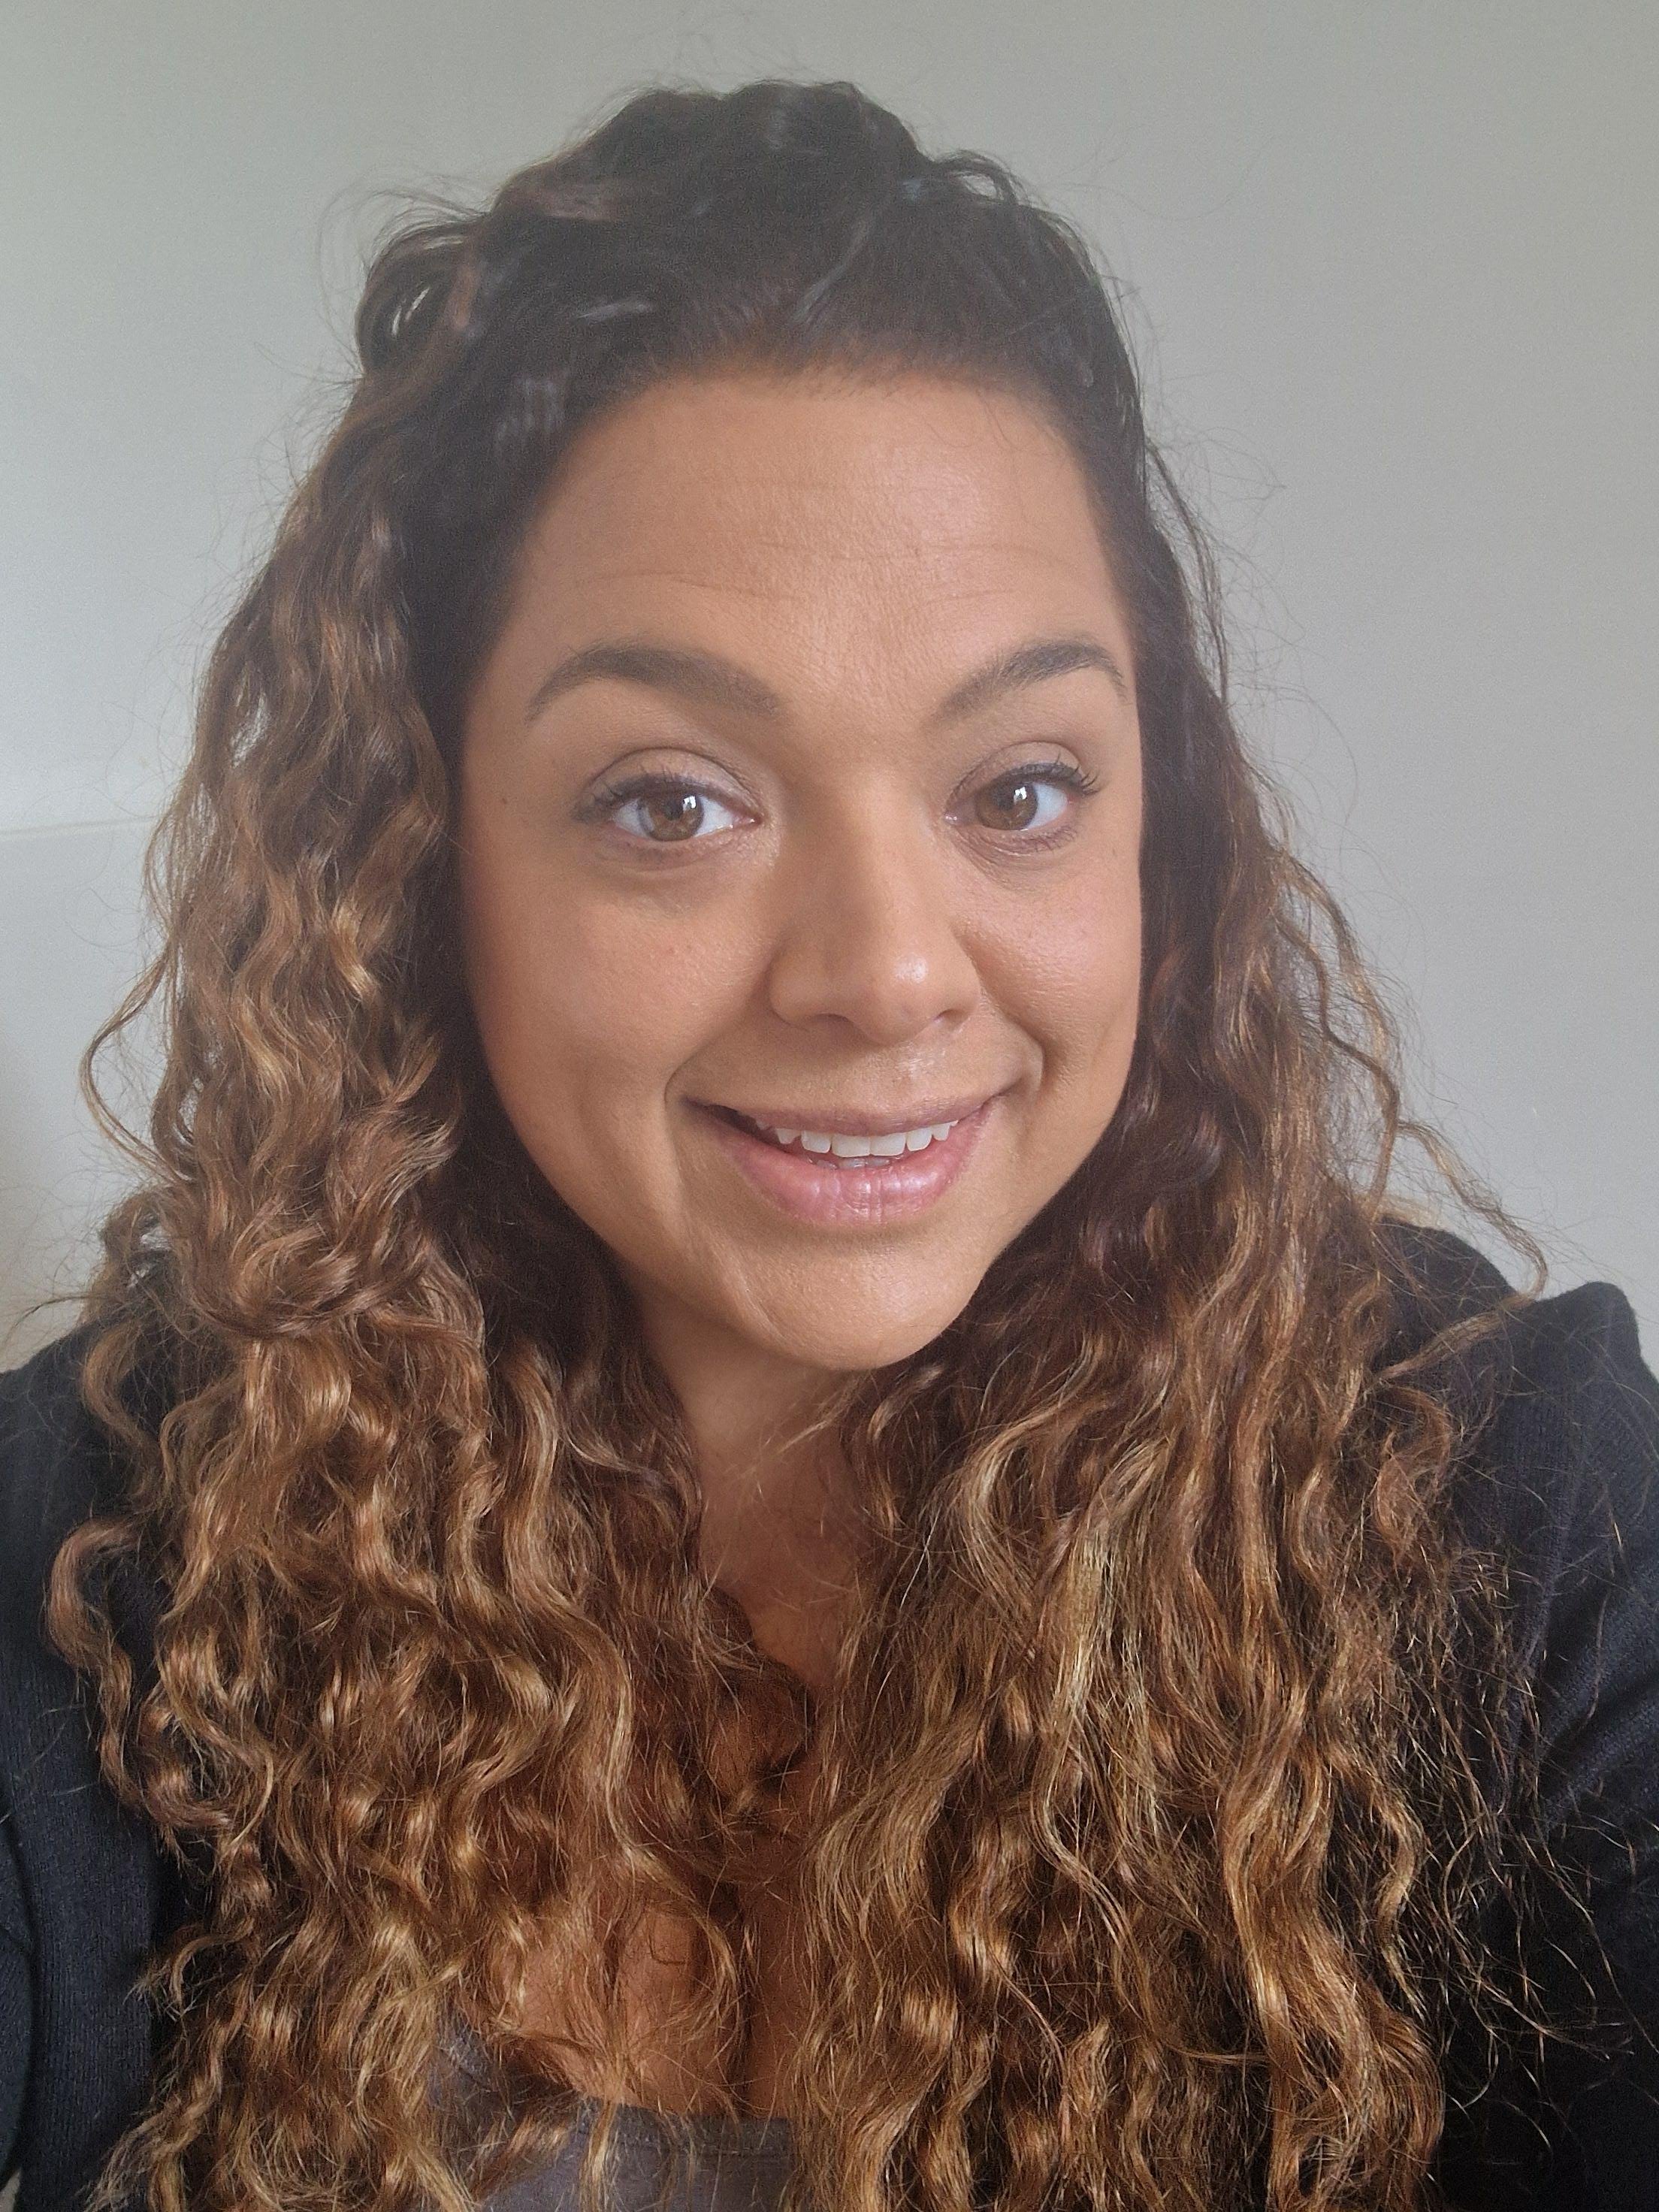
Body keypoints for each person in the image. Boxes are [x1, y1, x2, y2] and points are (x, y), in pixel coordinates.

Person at [2, 74, 1655, 2212]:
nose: (886, 974)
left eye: (1020, 787)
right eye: (674, 801)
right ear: (424, 864)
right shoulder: (110, 1562)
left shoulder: (1513, 1521)